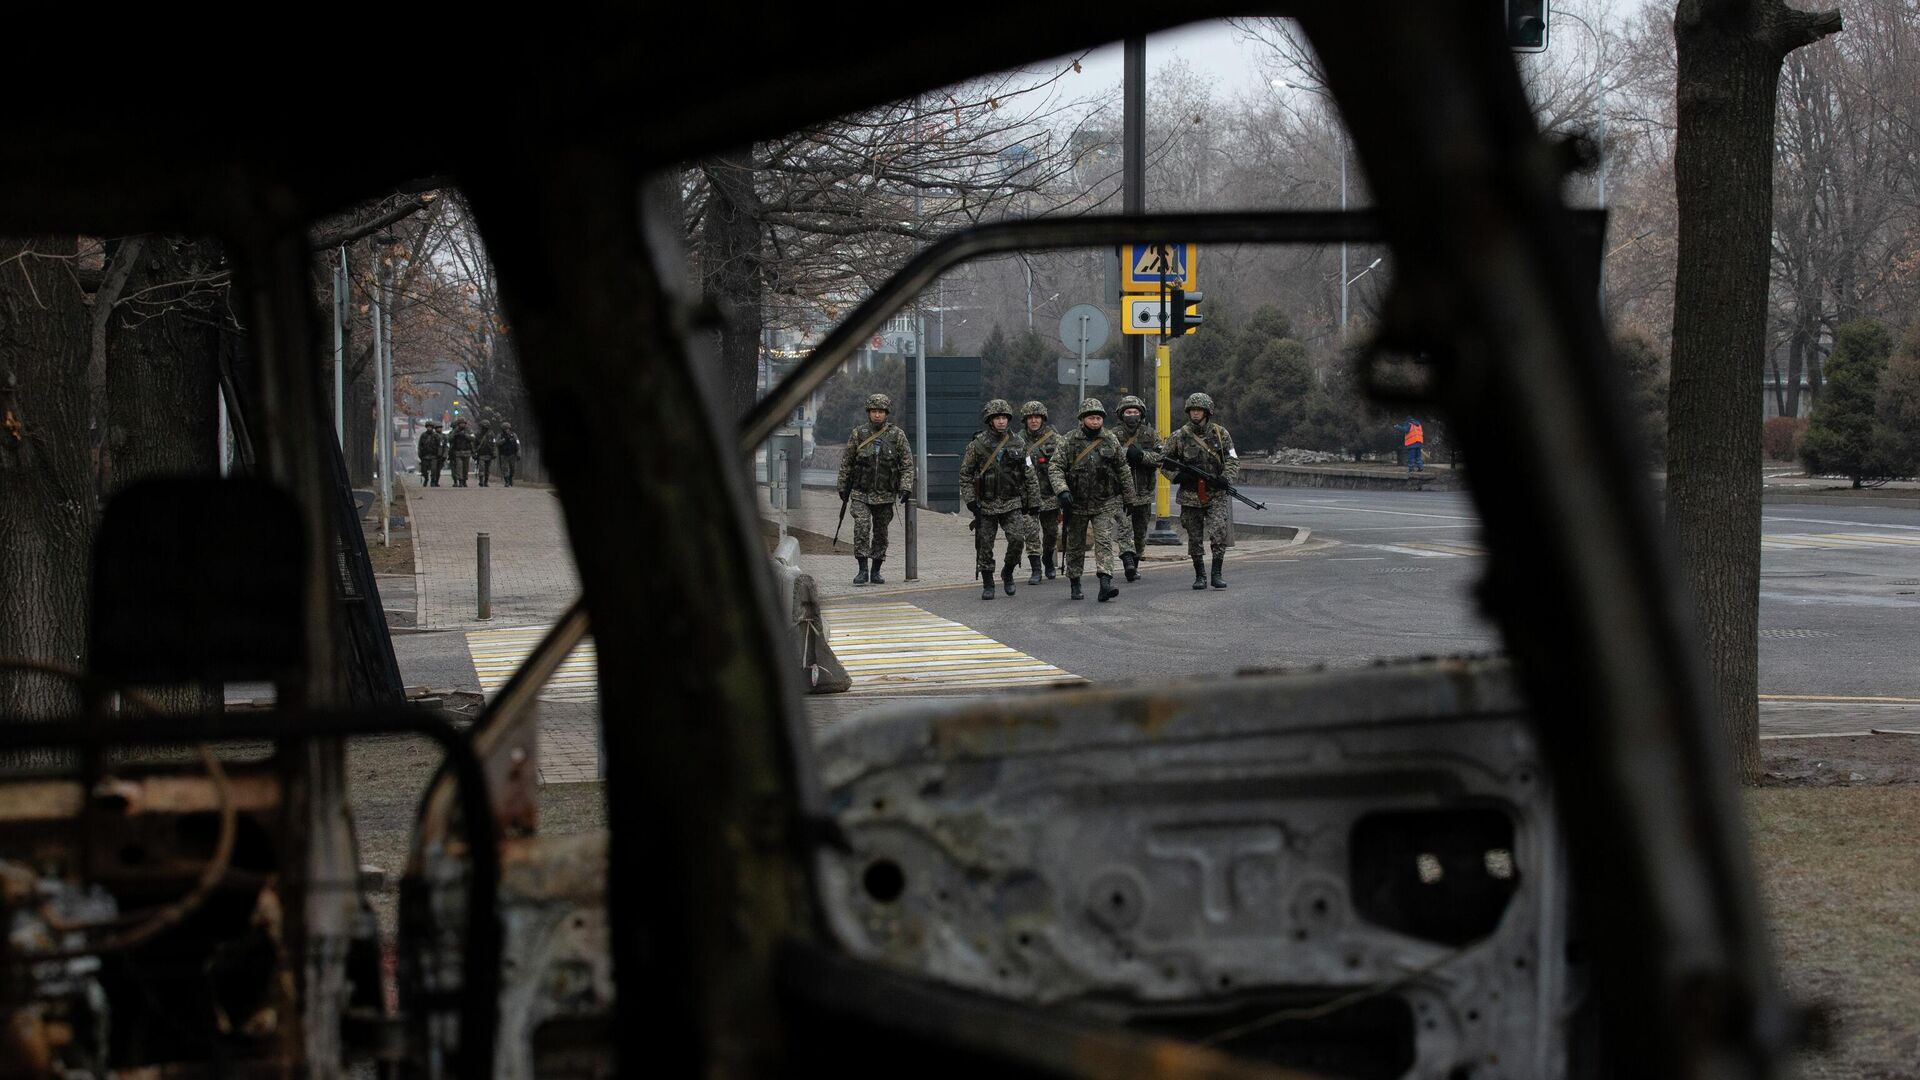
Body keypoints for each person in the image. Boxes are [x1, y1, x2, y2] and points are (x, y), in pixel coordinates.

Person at [1047, 397, 1131, 602]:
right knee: (1075, 545)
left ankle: (1105, 582)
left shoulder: (1110, 439)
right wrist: (1062, 490)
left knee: (1104, 542)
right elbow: (1055, 467)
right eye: (1091, 418)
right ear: (1082, 419)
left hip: (1104, 502)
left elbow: (1122, 468)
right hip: (1076, 503)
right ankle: (1075, 582)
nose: (1095, 422)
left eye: (1098, 418)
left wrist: (1129, 496)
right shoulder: (1069, 440)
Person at [959, 398, 1041, 600]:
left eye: (1004, 417)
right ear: (990, 420)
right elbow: (965, 475)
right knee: (985, 545)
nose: (1001, 421)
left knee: (1017, 540)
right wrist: (970, 500)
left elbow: (1028, 473)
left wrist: (1034, 501)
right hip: (985, 504)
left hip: (1011, 502)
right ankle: (988, 582)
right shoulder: (976, 445)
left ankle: (1008, 572)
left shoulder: (1018, 443)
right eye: (997, 418)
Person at [1160, 392, 1239, 590]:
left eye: (1199, 410)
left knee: (1219, 531)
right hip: (1190, 495)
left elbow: (1232, 459)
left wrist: (1225, 479)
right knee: (1194, 537)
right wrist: (1178, 476)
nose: (1196, 413)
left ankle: (1217, 573)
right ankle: (1200, 574)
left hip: (1216, 494)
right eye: (1193, 410)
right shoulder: (1179, 436)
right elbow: (1164, 462)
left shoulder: (1221, 434)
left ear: (1207, 412)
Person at [835, 393, 914, 585]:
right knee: (861, 527)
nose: (877, 415)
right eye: (874, 411)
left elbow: (907, 464)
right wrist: (842, 486)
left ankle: (876, 570)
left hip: (885, 494)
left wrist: (905, 487)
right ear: (868, 413)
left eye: (880, 412)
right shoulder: (859, 434)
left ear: (886, 413)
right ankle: (862, 570)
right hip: (861, 492)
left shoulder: (897, 435)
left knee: (881, 532)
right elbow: (847, 462)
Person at [1111, 394, 1164, 582]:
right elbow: (1108, 457)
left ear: (1141, 414)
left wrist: (1141, 456)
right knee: (1125, 529)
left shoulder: (1150, 434)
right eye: (1128, 412)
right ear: (1121, 414)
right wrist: (1126, 453)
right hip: (1120, 494)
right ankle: (1128, 562)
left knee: (1140, 531)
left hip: (1143, 492)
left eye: (1135, 412)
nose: (1131, 415)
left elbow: (1161, 458)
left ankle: (1135, 562)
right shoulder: (1113, 435)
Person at [1020, 400, 1064, 584]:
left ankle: (1048, 559)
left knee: (1051, 532)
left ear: (1042, 418)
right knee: (1030, 532)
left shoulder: (1055, 439)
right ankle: (1036, 568)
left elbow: (1064, 465)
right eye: (1030, 417)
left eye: (1037, 417)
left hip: (1050, 495)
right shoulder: (1017, 440)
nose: (1033, 421)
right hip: (1028, 497)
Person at [448, 418, 476, 487]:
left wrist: (465, 435)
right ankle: (460, 480)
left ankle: (464, 480)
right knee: (459, 467)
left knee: (465, 468)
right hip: (458, 452)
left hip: (467, 451)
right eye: (460, 423)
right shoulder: (455, 431)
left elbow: (473, 438)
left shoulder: (468, 430)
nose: (462, 425)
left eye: (463, 423)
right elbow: (450, 439)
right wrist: (456, 435)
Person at [416, 420, 444, 487]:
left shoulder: (436, 435)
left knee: (434, 470)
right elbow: (420, 445)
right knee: (424, 471)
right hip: (425, 456)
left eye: (430, 427)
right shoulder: (423, 435)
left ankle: (433, 481)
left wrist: (439, 454)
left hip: (434, 456)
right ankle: (426, 479)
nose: (429, 428)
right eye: (428, 427)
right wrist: (420, 454)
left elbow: (440, 445)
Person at [475, 421, 497, 486]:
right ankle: (481, 481)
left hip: (489, 454)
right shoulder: (478, 434)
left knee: (487, 469)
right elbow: (474, 444)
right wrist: (474, 452)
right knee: (481, 468)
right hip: (481, 454)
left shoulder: (491, 434)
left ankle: (486, 481)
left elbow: (494, 444)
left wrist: (494, 452)